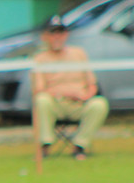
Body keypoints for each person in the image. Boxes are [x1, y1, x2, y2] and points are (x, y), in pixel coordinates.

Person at [32, 16, 109, 160]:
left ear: (66, 35)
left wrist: (86, 96)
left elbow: (92, 84)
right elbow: (39, 89)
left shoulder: (78, 53)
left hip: (79, 103)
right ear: (45, 36)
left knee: (100, 104)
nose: (57, 37)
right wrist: (64, 93)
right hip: (56, 103)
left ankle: (80, 145)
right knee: (41, 100)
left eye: (60, 33)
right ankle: (45, 144)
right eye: (53, 33)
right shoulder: (40, 58)